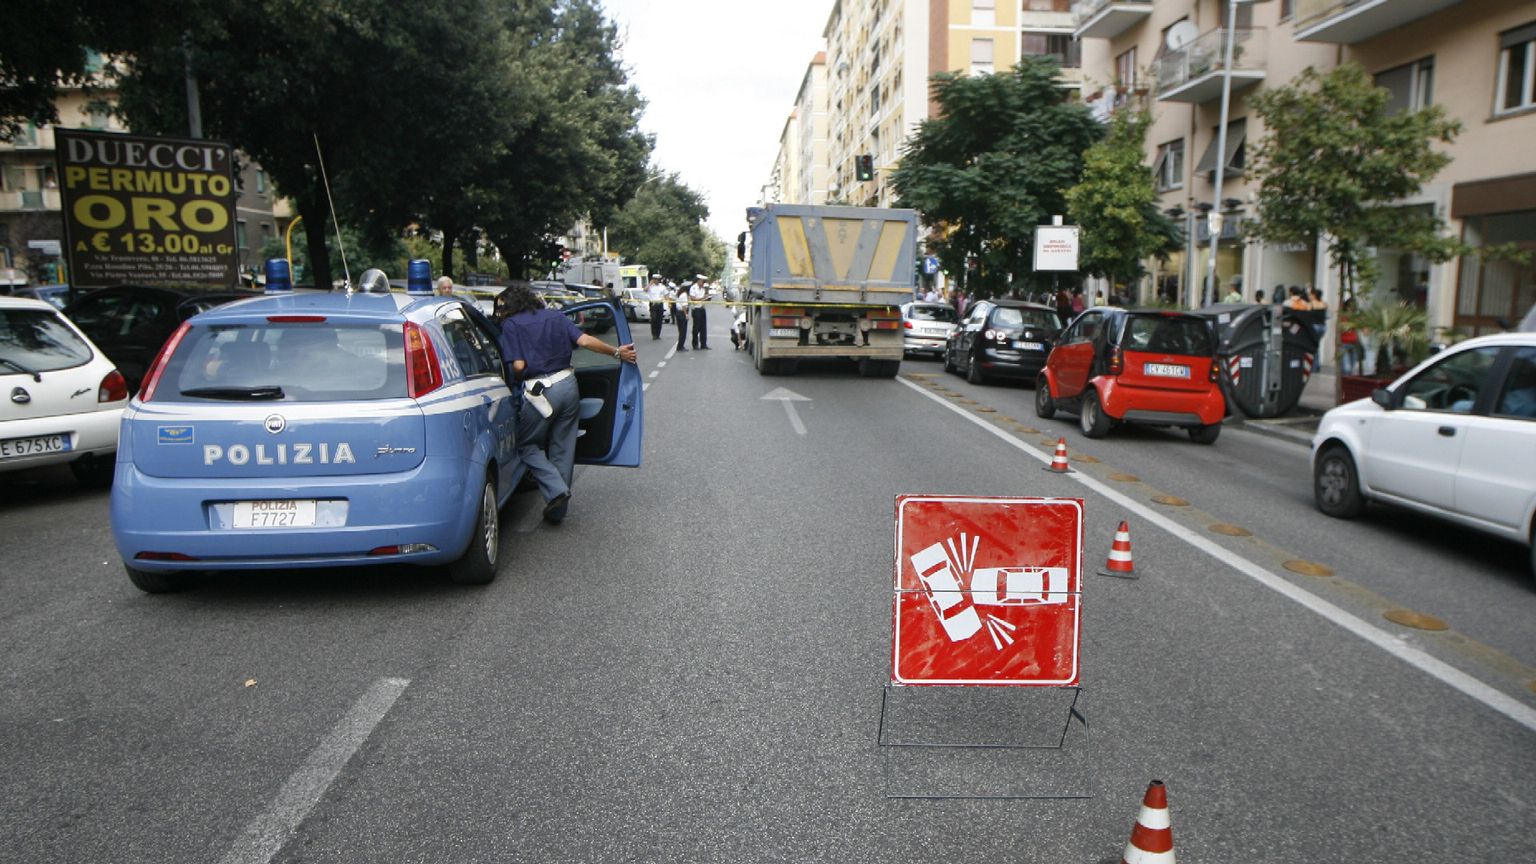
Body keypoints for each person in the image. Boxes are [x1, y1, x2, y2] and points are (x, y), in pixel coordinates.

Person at [497, 281, 636, 523]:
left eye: (501, 308)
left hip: (539, 392)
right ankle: (557, 509)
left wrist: (517, 376)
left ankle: (556, 491)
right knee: (563, 447)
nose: (499, 313)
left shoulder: (511, 325)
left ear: (510, 306)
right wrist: (617, 352)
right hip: (569, 385)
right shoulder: (556, 316)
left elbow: (518, 366)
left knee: (526, 445)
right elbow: (585, 341)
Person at [689, 274, 710, 349]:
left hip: (702, 308)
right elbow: (693, 298)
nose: (703, 283)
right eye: (702, 282)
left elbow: (705, 297)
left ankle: (703, 344)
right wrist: (702, 298)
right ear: (699, 281)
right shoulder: (693, 288)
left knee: (703, 328)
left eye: (704, 282)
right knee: (696, 328)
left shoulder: (703, 289)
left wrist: (706, 297)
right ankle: (695, 344)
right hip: (696, 309)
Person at [646, 274, 666, 341]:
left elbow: (666, 294)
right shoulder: (650, 287)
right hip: (653, 304)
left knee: (659, 320)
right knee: (654, 319)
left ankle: (658, 334)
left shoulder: (662, 287)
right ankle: (654, 334)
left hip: (660, 304)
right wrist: (649, 284)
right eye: (655, 279)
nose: (656, 281)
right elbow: (645, 290)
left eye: (657, 279)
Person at [671, 280, 690, 351]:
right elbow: (684, 306)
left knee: (680, 330)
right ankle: (680, 346)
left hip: (678, 312)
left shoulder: (679, 294)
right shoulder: (684, 294)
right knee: (683, 331)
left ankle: (680, 345)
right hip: (682, 312)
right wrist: (686, 314)